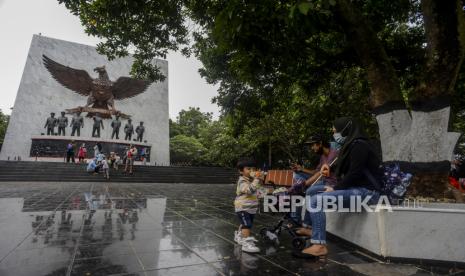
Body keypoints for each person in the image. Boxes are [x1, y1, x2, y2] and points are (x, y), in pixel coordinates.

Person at [294, 117, 381, 259]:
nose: (335, 135)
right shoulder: (352, 144)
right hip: (356, 188)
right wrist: (330, 167)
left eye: (336, 131)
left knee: (316, 201)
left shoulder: (360, 145)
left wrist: (335, 188)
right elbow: (344, 166)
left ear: (345, 129)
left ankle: (319, 245)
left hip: (368, 192)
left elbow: (355, 173)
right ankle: (311, 230)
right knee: (313, 193)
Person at [294, 134, 339, 236]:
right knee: (300, 178)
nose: (312, 148)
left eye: (313, 145)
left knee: (310, 191)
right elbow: (317, 172)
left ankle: (307, 226)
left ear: (321, 143)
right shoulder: (323, 156)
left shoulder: (334, 154)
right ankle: (304, 224)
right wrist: (301, 170)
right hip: (325, 181)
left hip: (333, 184)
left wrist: (304, 184)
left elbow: (319, 174)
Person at [234, 158, 264, 253]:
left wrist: (261, 182)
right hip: (242, 207)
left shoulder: (252, 180)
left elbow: (259, 191)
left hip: (251, 207)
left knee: (245, 223)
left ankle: (239, 235)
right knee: (247, 224)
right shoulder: (242, 181)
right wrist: (256, 180)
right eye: (248, 169)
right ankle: (246, 243)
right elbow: (249, 190)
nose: (251, 171)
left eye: (253, 169)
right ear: (241, 171)